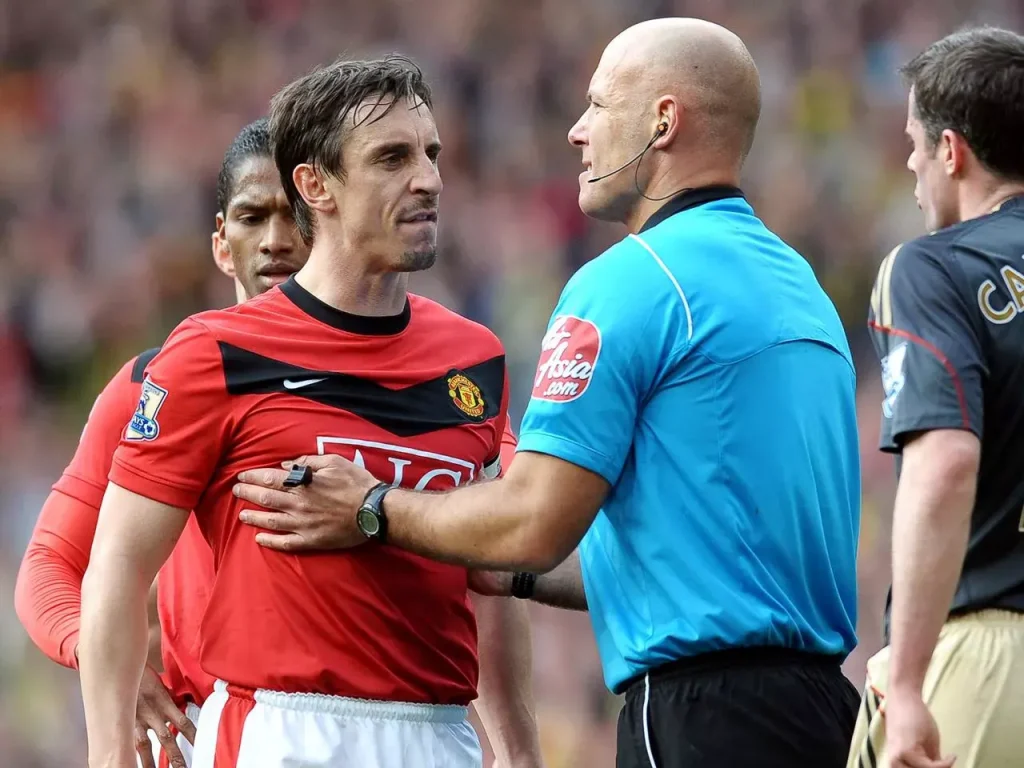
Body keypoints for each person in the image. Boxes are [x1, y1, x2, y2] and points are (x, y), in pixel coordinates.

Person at [233, 18, 863, 768]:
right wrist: (500, 566)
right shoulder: (801, 288)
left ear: (663, 121)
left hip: (702, 715)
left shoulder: (630, 282)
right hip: (824, 712)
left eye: (598, 105)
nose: (576, 130)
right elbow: (701, 545)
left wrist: (372, 508)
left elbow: (533, 520)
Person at [78, 56, 539, 768]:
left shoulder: (473, 357)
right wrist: (108, 756)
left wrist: (519, 755)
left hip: (441, 734)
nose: (429, 179)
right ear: (314, 185)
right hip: (283, 733)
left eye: (432, 154)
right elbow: (115, 569)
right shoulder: (214, 353)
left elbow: (490, 581)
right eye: (392, 157)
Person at [14, 118, 305, 768]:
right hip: (208, 737)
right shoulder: (150, 387)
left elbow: (510, 514)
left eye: (297, 215)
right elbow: (47, 570)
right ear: (221, 246)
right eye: (253, 217)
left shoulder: (412, 376)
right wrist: (105, 661)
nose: (277, 241)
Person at [847, 27, 1024, 768]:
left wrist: (911, 680)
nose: (912, 164)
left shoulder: (932, 269)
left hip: (985, 653)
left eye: (916, 143)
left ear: (952, 153)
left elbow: (947, 462)